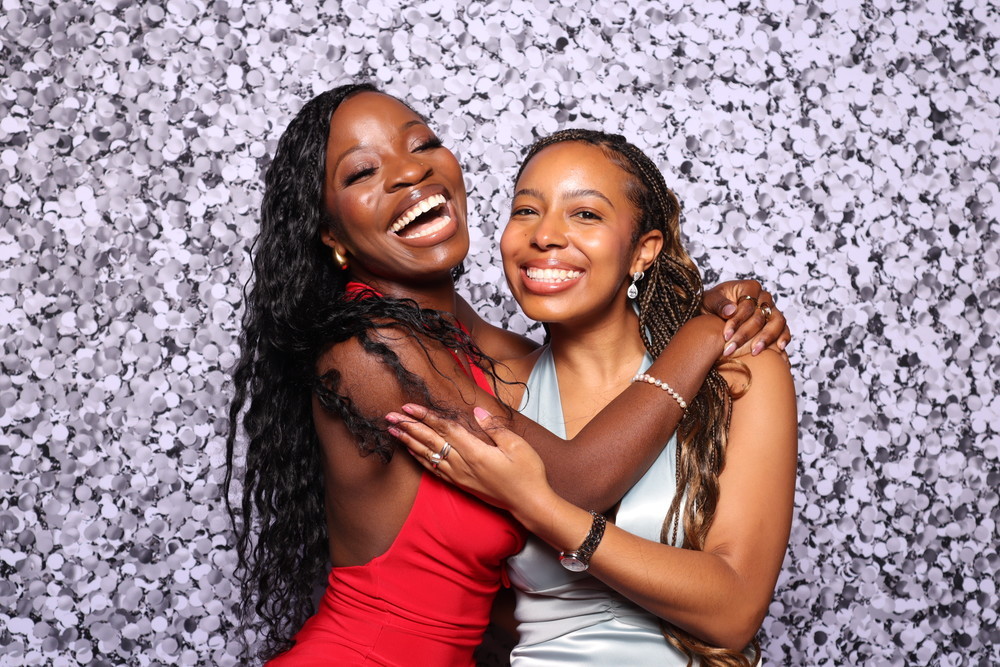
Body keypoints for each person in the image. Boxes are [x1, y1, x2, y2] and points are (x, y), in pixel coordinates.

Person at [224, 83, 790, 664]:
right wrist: (703, 333)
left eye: (423, 144)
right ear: (331, 235)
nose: (409, 172)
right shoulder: (374, 349)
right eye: (362, 172)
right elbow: (578, 483)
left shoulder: (467, 346)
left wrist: (704, 305)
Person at [390, 130, 797, 666]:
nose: (545, 235)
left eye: (585, 214)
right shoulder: (494, 389)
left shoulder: (741, 369)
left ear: (643, 252)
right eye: (526, 210)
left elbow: (734, 611)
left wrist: (536, 504)